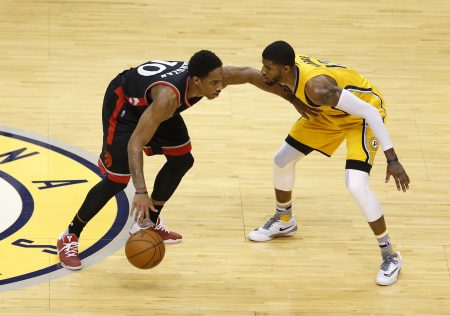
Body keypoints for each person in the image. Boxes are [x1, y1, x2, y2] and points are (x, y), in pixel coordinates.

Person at [56, 49, 318, 271]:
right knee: (117, 179)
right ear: (195, 81)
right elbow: (135, 143)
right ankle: (70, 235)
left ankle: (148, 221)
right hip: (125, 106)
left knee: (182, 159)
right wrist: (141, 191)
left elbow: (250, 74)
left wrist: (292, 98)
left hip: (153, 109)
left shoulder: (214, 77)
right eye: (213, 83)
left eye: (220, 81)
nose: (219, 88)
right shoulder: (168, 99)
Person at [248, 41, 410, 286]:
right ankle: (284, 220)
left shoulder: (318, 89)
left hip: (361, 117)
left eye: (268, 68)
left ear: (285, 69)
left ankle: (390, 255)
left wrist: (393, 159)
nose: (262, 72)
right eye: (263, 65)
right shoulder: (288, 73)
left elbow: (371, 113)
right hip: (328, 115)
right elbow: (253, 77)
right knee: (281, 160)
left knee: (355, 184)